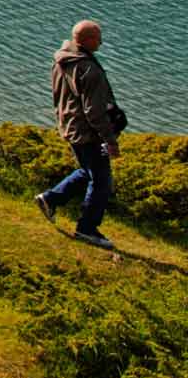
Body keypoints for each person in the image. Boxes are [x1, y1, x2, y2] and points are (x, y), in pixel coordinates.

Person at [37, 19, 122, 249]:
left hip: (69, 125)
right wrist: (110, 140)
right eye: (97, 37)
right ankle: (86, 229)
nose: (101, 41)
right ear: (85, 40)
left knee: (88, 171)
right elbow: (94, 111)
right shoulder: (89, 70)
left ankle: (51, 199)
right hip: (88, 132)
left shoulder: (61, 60)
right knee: (102, 181)